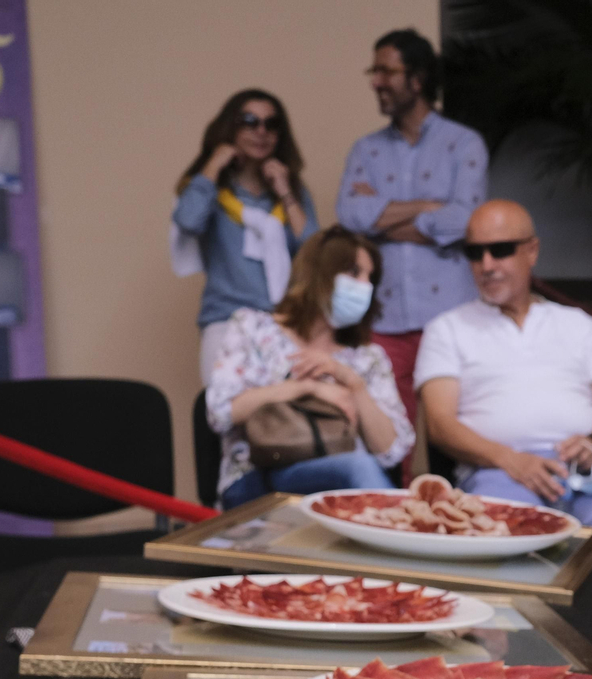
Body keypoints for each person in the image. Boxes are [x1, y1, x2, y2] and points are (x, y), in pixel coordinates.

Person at [415, 200, 592, 539]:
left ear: (532, 251)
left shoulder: (581, 325)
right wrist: (511, 460)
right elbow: (439, 424)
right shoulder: (447, 329)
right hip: (498, 472)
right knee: (502, 560)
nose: (486, 265)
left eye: (501, 250)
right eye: (475, 253)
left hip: (589, 471)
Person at [338, 28, 487, 428]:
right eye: (374, 72)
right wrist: (428, 206)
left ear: (417, 79)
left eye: (386, 72)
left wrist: (380, 220)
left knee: (455, 433)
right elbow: (350, 215)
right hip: (384, 318)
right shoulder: (366, 150)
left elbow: (465, 221)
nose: (376, 82)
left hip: (451, 317)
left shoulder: (464, 144)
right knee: (387, 434)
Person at [206, 226, 414, 509]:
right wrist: (308, 388)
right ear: (320, 273)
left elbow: (391, 451)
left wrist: (353, 385)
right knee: (356, 467)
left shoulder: (368, 357)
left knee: (358, 467)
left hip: (344, 480)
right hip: (260, 477)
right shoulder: (251, 327)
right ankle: (397, 530)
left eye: (370, 277)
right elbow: (220, 413)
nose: (365, 286)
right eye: (354, 272)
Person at [173, 90, 318, 384]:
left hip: (284, 324)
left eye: (271, 124)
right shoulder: (209, 189)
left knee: (286, 411)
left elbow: (315, 252)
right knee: (227, 410)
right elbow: (187, 220)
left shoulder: (291, 191)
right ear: (231, 128)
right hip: (226, 322)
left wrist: (285, 191)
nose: (261, 131)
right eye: (249, 121)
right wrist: (214, 164)